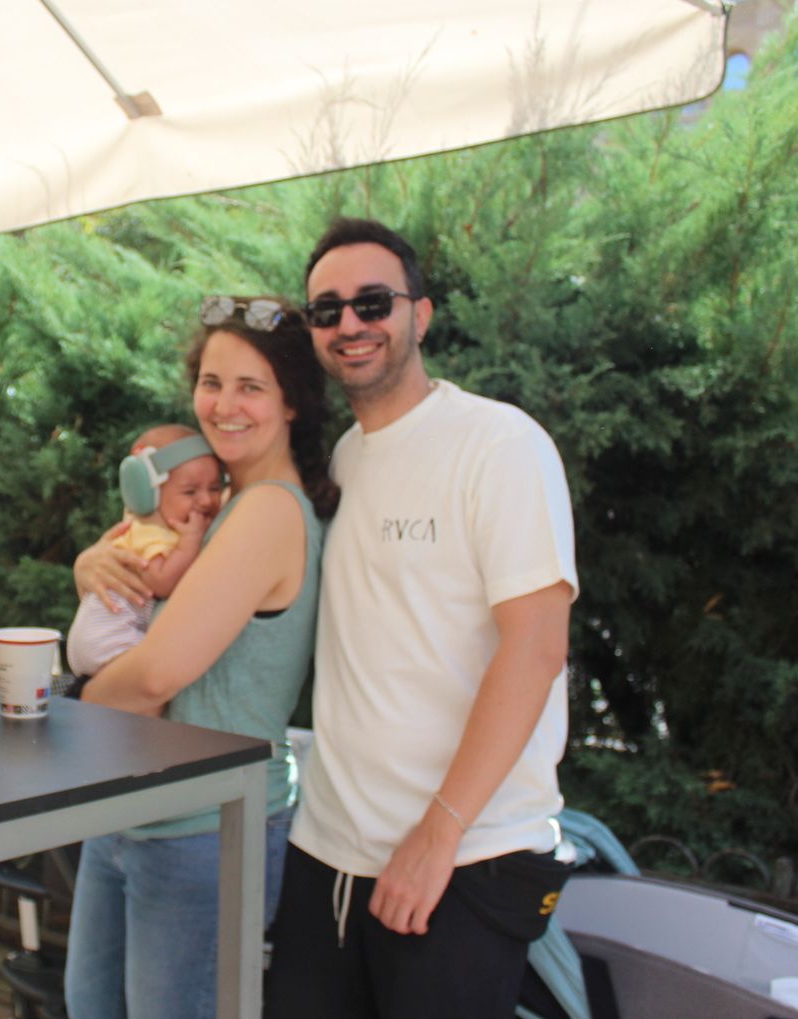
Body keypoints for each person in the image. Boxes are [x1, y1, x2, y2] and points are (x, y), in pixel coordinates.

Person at [265, 218, 579, 1018]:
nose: (350, 325)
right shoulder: (343, 458)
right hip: (329, 849)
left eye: (373, 302)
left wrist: (438, 835)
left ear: (421, 314)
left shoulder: (497, 443)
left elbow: (537, 648)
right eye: (326, 310)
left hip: (462, 855)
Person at [64, 295, 339, 1019]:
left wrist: (67, 706)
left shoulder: (269, 511)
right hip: (133, 809)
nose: (224, 405)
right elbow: (131, 568)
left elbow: (158, 672)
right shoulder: (213, 503)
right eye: (212, 382)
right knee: (90, 1003)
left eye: (251, 386)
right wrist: (92, 562)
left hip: (205, 831)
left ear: (293, 404)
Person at [65, 422, 223, 676]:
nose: (206, 500)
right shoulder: (148, 534)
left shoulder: (165, 531)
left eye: (215, 488)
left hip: (105, 638)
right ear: (150, 494)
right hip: (111, 641)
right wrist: (191, 543)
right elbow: (161, 581)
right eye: (190, 491)